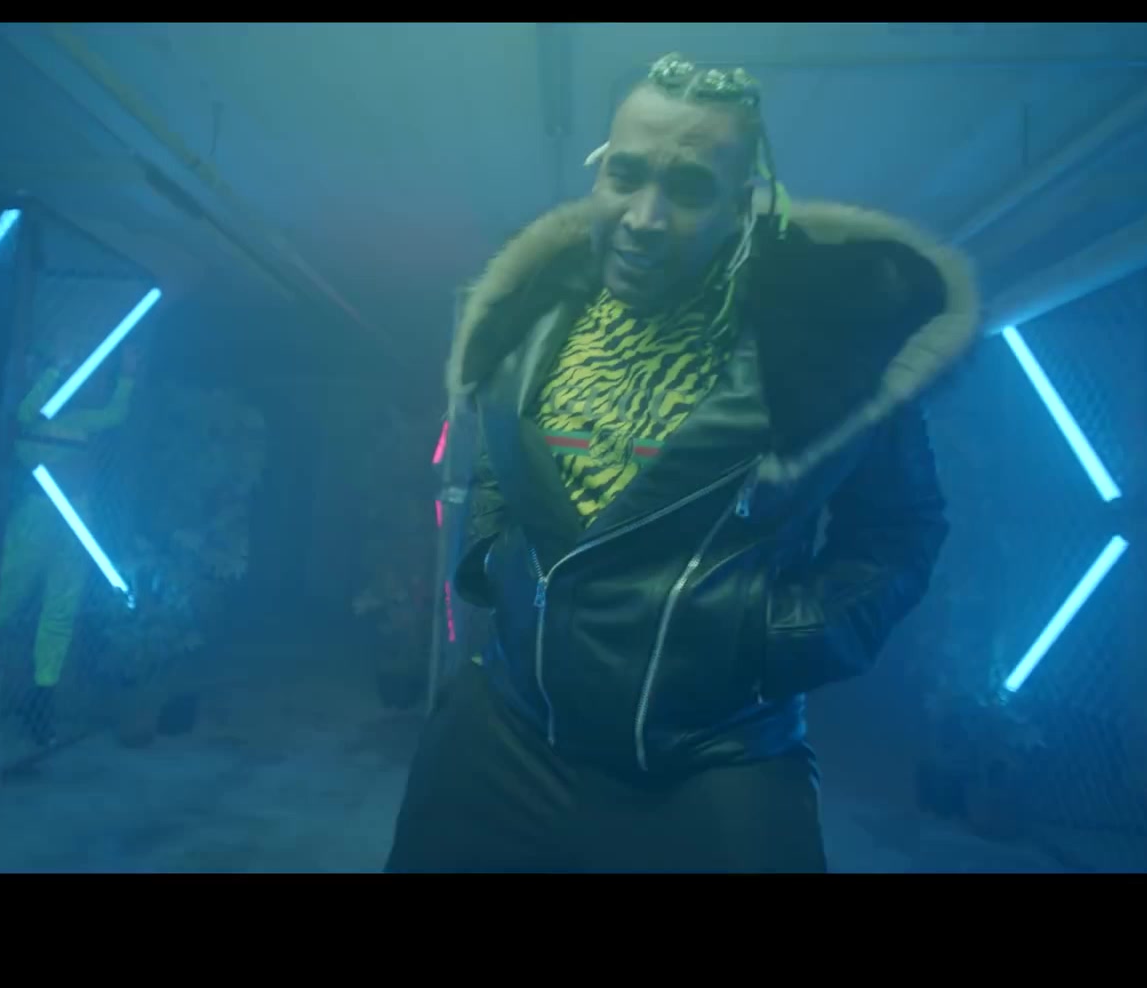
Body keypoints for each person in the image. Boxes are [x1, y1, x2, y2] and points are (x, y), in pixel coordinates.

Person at [385, 53, 981, 873]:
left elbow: (902, 530)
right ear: (599, 170)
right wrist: (490, 553)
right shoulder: (532, 317)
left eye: (690, 188)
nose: (644, 217)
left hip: (711, 757)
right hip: (508, 730)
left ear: (743, 204)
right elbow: (499, 455)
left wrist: (775, 637)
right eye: (626, 175)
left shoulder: (833, 355)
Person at [0, 341, 139, 747]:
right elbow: (24, 416)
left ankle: (42, 703)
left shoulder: (77, 419)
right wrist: (51, 370)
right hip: (36, 520)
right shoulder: (23, 421)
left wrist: (127, 374)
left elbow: (115, 414)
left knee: (60, 613)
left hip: (76, 520)